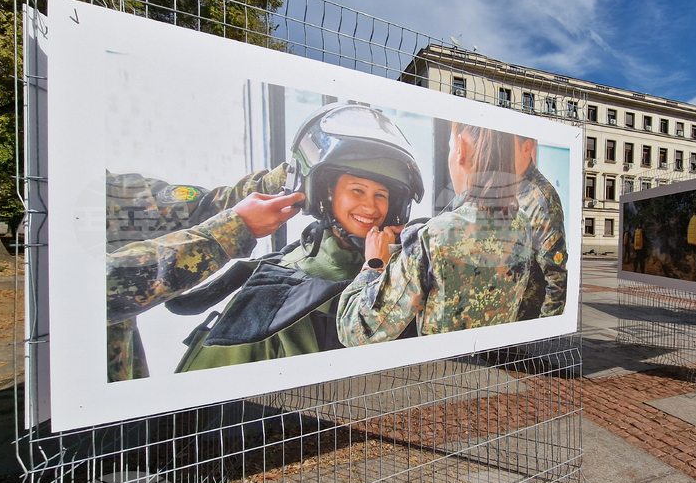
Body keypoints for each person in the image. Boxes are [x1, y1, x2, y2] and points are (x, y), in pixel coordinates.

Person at [173, 104, 425, 371]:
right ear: (327, 191)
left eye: (381, 195)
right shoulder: (276, 288)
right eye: (358, 190)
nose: (371, 207)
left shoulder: (409, 262)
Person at [337, 123, 534, 345]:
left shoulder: (432, 239)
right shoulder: (522, 222)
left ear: (461, 148)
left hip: (441, 374)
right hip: (493, 367)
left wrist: (375, 263)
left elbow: (353, 331)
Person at [106, 166, 302, 381]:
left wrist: (292, 173)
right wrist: (229, 229)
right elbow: (93, 289)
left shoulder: (89, 186)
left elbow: (203, 206)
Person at [512, 135, 568, 320]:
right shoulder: (507, 188)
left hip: (524, 325)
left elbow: (556, 279)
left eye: (505, 146)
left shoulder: (542, 199)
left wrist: (543, 332)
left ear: (526, 148)